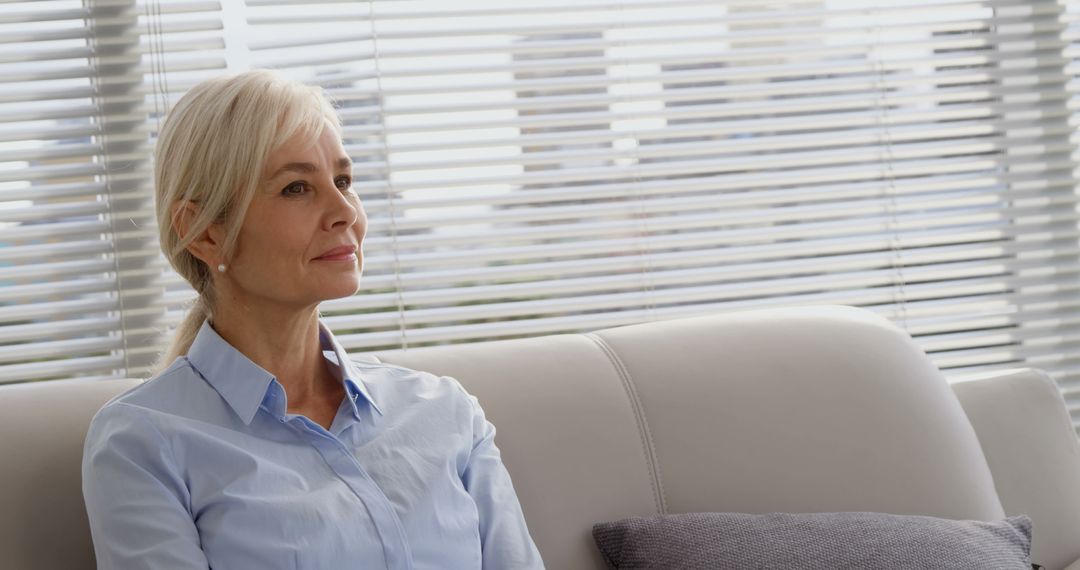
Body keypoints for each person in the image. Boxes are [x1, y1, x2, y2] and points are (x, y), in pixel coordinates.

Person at [81, 70, 544, 570]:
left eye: (344, 181)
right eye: (297, 187)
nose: (344, 210)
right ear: (205, 232)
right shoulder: (141, 443)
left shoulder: (449, 413)